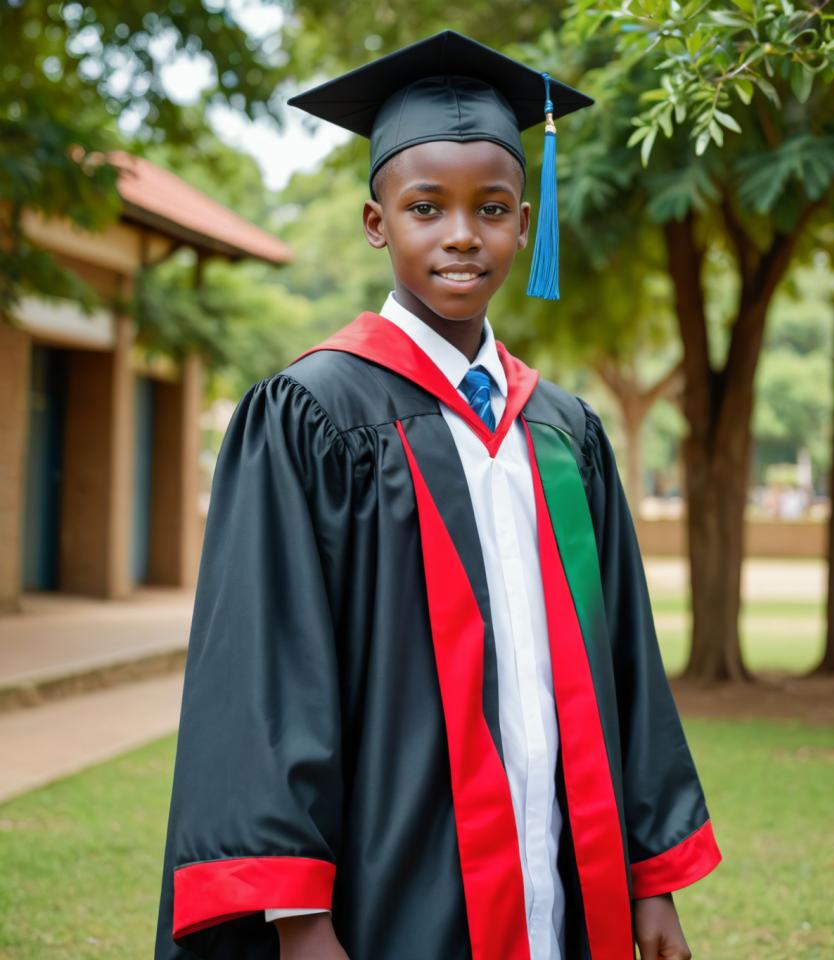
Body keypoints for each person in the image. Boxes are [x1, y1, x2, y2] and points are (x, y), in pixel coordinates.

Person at [154, 29, 722, 960]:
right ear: (377, 222)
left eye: (491, 208)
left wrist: (650, 879)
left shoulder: (564, 432)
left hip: (562, 872)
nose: (462, 234)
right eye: (427, 207)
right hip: (392, 889)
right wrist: (300, 922)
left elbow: (628, 661)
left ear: (524, 223)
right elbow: (262, 675)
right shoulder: (310, 415)